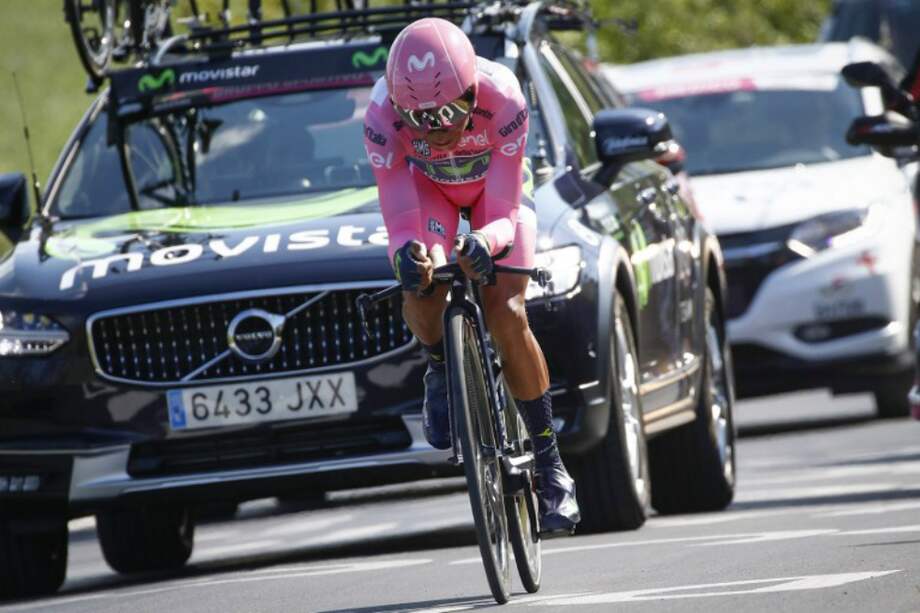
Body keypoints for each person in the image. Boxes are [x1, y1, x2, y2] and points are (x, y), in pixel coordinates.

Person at [362, 17, 580, 533]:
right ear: (398, 107)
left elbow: (505, 208)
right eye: (421, 120)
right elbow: (397, 215)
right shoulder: (379, 116)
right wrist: (404, 252)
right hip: (429, 194)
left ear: (471, 90)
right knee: (421, 277)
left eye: (449, 112)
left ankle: (551, 466)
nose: (437, 130)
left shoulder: (503, 97)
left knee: (506, 310)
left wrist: (487, 242)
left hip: (494, 198)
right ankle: (440, 364)